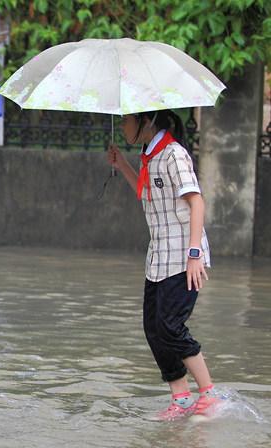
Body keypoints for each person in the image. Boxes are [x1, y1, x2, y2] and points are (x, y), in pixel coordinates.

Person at [107, 109, 220, 420]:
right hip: (158, 257)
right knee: (153, 329)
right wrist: (122, 165)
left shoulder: (173, 154)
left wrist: (195, 254)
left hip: (184, 256)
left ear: (147, 120)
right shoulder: (149, 155)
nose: (123, 125)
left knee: (170, 326)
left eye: (127, 120)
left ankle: (209, 393)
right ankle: (181, 398)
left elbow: (196, 201)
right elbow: (145, 193)